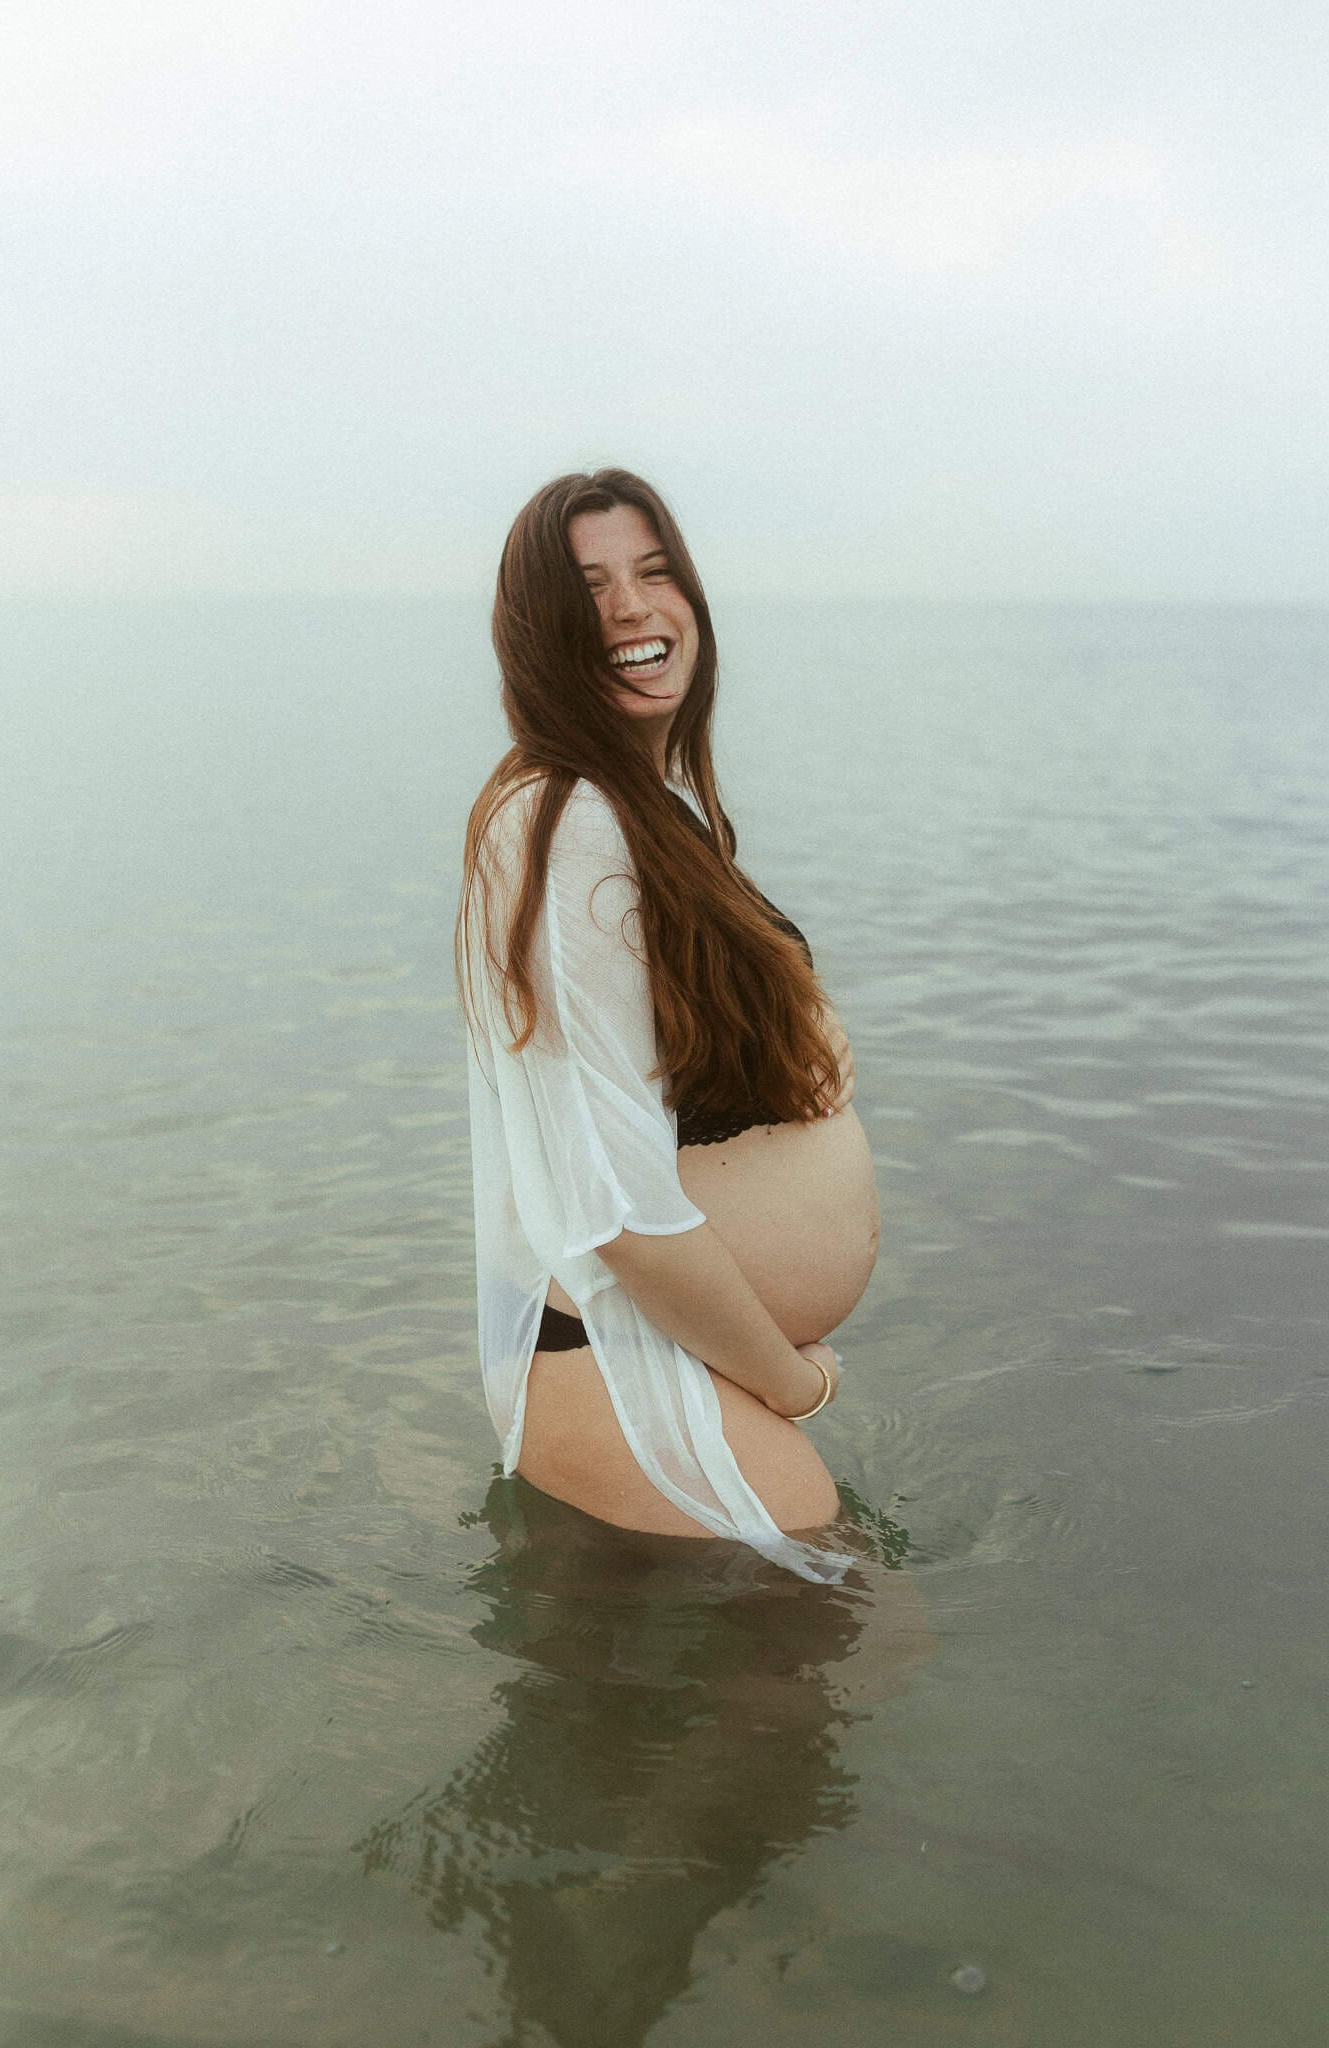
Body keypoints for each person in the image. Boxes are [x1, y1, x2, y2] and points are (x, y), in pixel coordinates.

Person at [455, 469, 881, 1583]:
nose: (635, 608)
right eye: (590, 588)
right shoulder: (567, 821)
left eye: (654, 573)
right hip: (618, 1355)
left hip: (658, 1345)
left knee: (754, 1725)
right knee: (846, 1661)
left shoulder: (638, 805)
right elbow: (614, 1202)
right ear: (540, 635)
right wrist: (793, 1385)